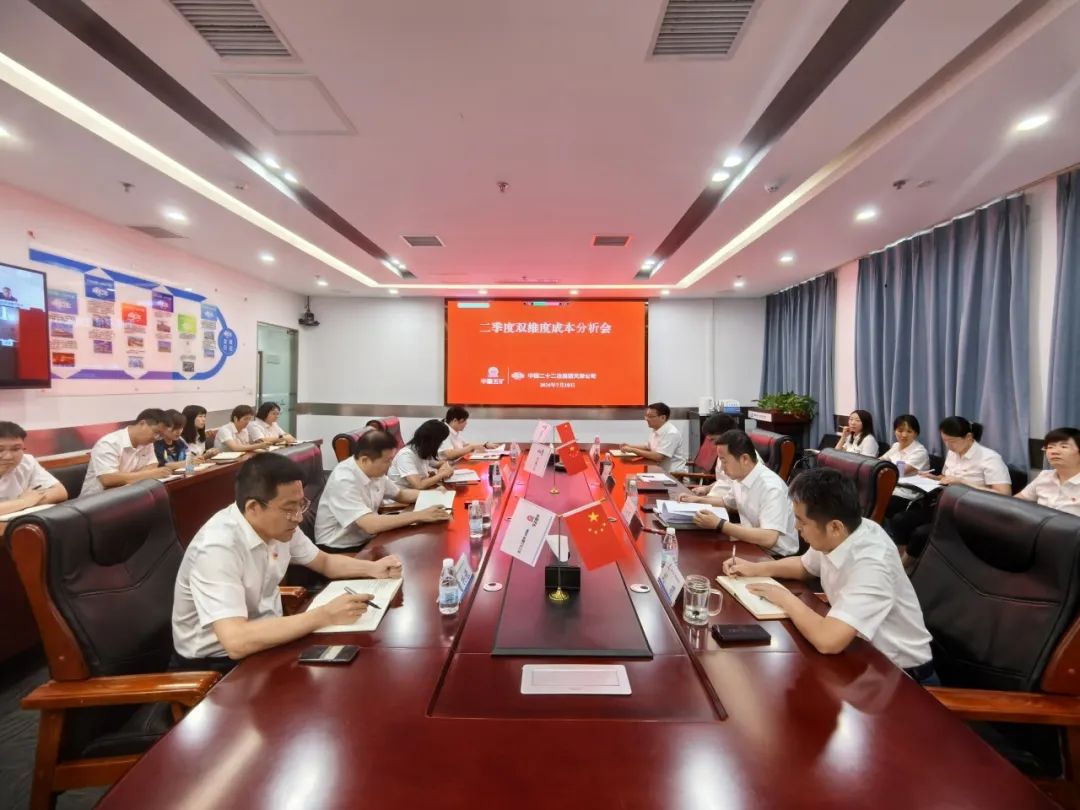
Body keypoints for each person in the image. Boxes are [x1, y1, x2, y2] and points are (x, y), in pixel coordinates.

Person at [171, 454, 402, 671]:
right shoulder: (217, 548)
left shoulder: (280, 526)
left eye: (301, 504)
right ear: (253, 508)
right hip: (217, 665)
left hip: (270, 638)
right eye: (289, 508)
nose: (299, 517)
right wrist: (325, 615)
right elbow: (236, 641)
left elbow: (324, 562)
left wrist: (373, 569)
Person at [723, 468, 936, 684]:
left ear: (834, 527)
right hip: (859, 649)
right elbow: (804, 566)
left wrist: (785, 598)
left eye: (801, 521)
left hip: (902, 675)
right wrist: (756, 568)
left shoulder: (872, 564)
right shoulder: (843, 532)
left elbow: (828, 641)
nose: (796, 527)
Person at [888, 416, 1011, 558]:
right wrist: (934, 478)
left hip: (972, 512)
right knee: (900, 520)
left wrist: (963, 482)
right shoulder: (953, 453)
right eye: (944, 440)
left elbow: (1004, 494)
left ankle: (906, 565)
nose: (948, 445)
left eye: (952, 441)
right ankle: (900, 559)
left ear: (968, 437)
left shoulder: (990, 458)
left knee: (921, 534)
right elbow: (946, 477)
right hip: (946, 504)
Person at [315, 430, 452, 550]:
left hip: (367, 538)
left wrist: (433, 495)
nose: (391, 464)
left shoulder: (374, 470)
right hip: (340, 547)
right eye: (387, 460)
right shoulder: (344, 480)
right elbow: (371, 525)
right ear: (365, 460)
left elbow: (401, 494)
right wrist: (419, 515)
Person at [690, 429, 799, 556]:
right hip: (751, 544)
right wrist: (697, 500)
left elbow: (769, 538)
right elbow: (727, 502)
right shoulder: (740, 477)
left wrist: (720, 524)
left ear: (744, 459)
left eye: (724, 461)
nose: (722, 469)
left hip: (774, 556)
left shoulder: (771, 487)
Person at [81, 409, 173, 497]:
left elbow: (152, 465)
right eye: (156, 433)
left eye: (161, 436)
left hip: (129, 493)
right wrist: (149, 474)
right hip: (96, 501)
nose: (157, 438)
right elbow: (108, 479)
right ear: (142, 424)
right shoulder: (109, 443)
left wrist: (126, 478)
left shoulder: (147, 443)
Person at [0, 421, 68, 515]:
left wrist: (17, 505)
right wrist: (24, 501)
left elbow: (60, 492)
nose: (8, 457)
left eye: (16, 449)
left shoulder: (27, 461)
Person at [1016, 427, 1080, 517]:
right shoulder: (1045, 476)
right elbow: (1016, 501)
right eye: (1050, 447)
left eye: (1064, 446)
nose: (1054, 451)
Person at [619, 402, 688, 474]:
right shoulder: (657, 428)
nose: (647, 419)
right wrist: (629, 446)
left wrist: (633, 450)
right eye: (646, 416)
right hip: (657, 470)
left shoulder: (671, 433)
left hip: (673, 475)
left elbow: (658, 457)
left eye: (650, 416)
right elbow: (648, 447)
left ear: (663, 417)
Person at [389, 419, 454, 489]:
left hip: (418, 491)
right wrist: (442, 474)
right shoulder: (405, 456)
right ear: (433, 442)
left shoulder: (423, 450)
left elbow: (440, 463)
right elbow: (418, 485)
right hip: (405, 493)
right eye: (440, 441)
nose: (441, 444)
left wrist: (445, 467)